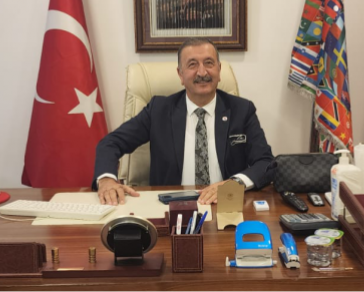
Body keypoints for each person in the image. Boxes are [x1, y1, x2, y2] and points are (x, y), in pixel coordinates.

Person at [92, 38, 274, 205]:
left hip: (226, 205)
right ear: (180, 74)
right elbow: (110, 143)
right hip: (171, 208)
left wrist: (233, 184)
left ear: (219, 70)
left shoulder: (242, 110)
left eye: (209, 63)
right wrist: (106, 180)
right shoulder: (158, 110)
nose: (202, 72)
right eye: (192, 65)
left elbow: (266, 163)